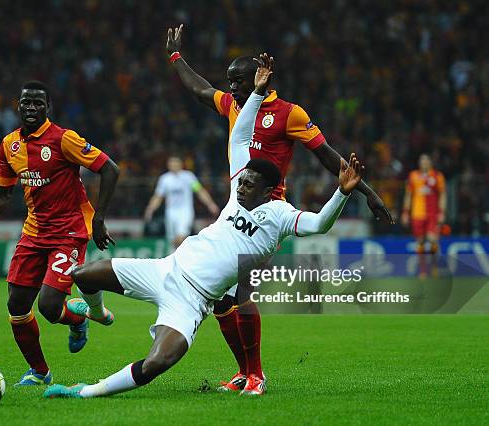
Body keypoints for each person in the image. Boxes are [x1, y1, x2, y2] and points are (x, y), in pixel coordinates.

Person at [43, 55, 362, 399]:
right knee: (82, 274)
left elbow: (318, 225)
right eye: (241, 180)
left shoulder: (282, 215)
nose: (240, 185)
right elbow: (240, 138)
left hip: (192, 301)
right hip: (165, 269)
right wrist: (255, 94)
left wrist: (342, 193)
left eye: (249, 182)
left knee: (158, 363)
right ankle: (96, 312)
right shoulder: (237, 193)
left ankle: (83, 392)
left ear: (267, 189)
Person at [165, 24, 394, 394]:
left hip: (268, 211)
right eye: (230, 82)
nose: (232, 89)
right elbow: (198, 90)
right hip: (236, 205)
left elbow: (327, 155)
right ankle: (245, 372)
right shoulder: (234, 107)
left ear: (259, 78)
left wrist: (367, 192)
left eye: (238, 81)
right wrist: (176, 56)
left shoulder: (289, 113)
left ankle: (256, 375)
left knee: (241, 291)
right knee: (221, 298)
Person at [0, 80, 119, 386]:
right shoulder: (9, 145)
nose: (31, 108)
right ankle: (40, 372)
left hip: (69, 232)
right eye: (26, 103)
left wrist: (98, 220)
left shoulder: (64, 139)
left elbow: (110, 168)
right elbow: (3, 194)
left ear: (48, 108)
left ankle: (75, 318)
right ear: (17, 106)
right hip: (33, 233)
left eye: (38, 104)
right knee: (16, 307)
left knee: (47, 306)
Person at [144, 155, 220, 249]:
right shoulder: (165, 179)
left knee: (181, 237)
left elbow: (199, 190)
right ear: (168, 165)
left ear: (181, 164)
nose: (174, 165)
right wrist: (150, 209)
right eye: (171, 163)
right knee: (173, 241)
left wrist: (210, 204)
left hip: (185, 211)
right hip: (171, 212)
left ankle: (183, 259)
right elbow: (158, 196)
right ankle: (175, 259)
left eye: (176, 163)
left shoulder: (188, 177)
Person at [401, 154, 446, 277]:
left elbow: (442, 195)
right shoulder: (413, 176)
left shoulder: (437, 176)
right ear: (419, 163)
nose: (424, 162)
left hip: (432, 215)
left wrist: (442, 212)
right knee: (420, 242)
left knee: (433, 239)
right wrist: (405, 212)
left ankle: (434, 267)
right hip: (417, 214)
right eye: (422, 160)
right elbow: (408, 195)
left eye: (426, 160)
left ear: (430, 162)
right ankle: (422, 271)